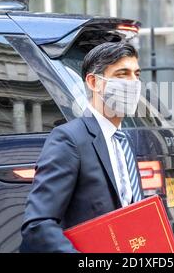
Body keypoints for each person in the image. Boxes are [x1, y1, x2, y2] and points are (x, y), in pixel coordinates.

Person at [20, 42, 144, 252]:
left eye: (136, 74)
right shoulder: (69, 139)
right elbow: (38, 224)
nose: (133, 83)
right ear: (94, 82)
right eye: (122, 74)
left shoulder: (124, 141)